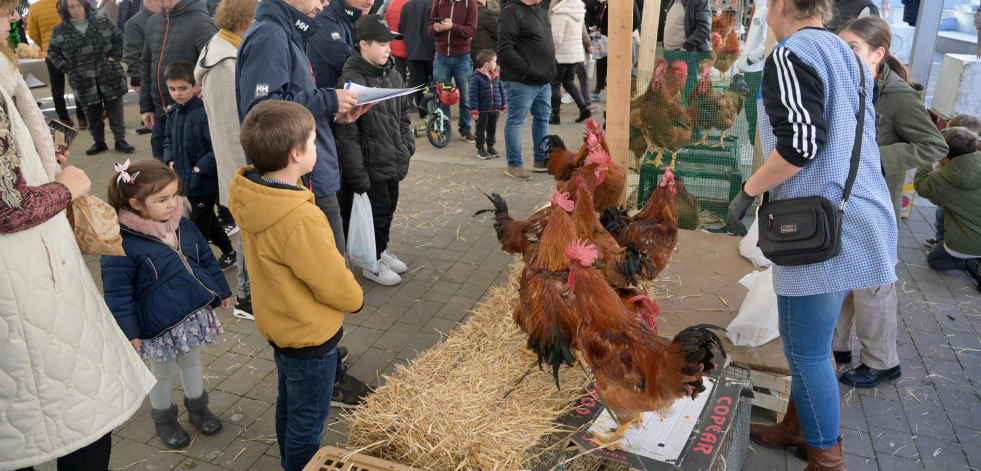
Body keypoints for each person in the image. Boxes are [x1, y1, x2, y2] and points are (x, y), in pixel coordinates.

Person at [727, 0, 897, 467]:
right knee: (812, 345)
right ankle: (796, 429)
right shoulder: (846, 53)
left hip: (819, 227)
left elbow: (800, 144)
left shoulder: (791, 53)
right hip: (857, 214)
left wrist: (748, 191)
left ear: (781, 5)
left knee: (805, 353)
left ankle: (827, 460)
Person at [0, 1, 155, 468]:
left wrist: (38, 159)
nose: (12, 19)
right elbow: (9, 208)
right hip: (23, 285)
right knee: (77, 424)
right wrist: (65, 188)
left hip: (28, 282)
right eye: (4, 9)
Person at [235, 0, 372, 407]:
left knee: (321, 267)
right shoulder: (270, 35)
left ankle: (326, 358)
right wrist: (329, 101)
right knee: (323, 271)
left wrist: (333, 112)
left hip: (313, 170)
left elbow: (290, 103)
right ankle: (327, 376)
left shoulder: (285, 30)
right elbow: (264, 114)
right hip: (303, 180)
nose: (325, 3)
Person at [228, 100, 366, 471]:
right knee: (309, 421)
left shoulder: (253, 193)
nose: (318, 147)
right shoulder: (300, 217)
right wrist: (355, 299)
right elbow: (330, 279)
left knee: (290, 405)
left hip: (279, 326)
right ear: (296, 154)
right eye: (314, 141)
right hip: (310, 336)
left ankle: (291, 460)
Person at [830, 15, 948, 389]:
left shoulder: (897, 96)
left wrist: (879, 159)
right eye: (840, 47)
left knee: (873, 285)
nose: (844, 55)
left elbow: (934, 144)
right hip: (849, 201)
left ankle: (883, 362)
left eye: (852, 48)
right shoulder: (851, 82)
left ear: (878, 54)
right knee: (847, 278)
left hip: (876, 203)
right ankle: (839, 348)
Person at [101, 159, 230, 450]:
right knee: (161, 371)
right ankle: (164, 418)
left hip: (190, 314)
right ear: (134, 203)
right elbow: (118, 294)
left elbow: (204, 258)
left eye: (174, 195)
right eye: (162, 199)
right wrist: (129, 331)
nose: (173, 204)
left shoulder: (182, 225)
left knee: (193, 362)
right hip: (158, 324)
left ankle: (198, 408)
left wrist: (221, 290)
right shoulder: (121, 243)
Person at [334, 15, 415, 286]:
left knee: (388, 209)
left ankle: (382, 250)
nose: (388, 49)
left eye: (389, 43)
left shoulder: (392, 74)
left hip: (393, 158)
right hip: (370, 164)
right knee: (376, 214)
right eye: (381, 44)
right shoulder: (351, 80)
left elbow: (404, 115)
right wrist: (357, 174)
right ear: (363, 45)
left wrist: (407, 145)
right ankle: (372, 262)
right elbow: (347, 134)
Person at [195, 0, 256, 318]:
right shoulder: (224, 61)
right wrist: (249, 174)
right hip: (242, 166)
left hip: (244, 163)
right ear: (245, 22)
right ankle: (246, 298)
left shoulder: (230, 50)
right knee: (249, 227)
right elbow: (232, 128)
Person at [161, 61, 237, 270]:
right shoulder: (173, 113)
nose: (177, 93)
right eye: (172, 89)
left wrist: (199, 168)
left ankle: (198, 265)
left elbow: (217, 146)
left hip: (204, 180)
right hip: (185, 179)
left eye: (183, 88)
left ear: (196, 86)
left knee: (198, 226)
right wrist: (170, 160)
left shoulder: (204, 112)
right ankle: (230, 253)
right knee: (208, 219)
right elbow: (168, 140)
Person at [47, 0, 136, 155]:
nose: (76, 9)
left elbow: (120, 39)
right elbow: (53, 52)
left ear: (85, 6)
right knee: (91, 112)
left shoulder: (103, 22)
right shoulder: (60, 30)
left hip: (109, 74)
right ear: (65, 10)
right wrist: (65, 66)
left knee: (115, 110)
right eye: (72, 7)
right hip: (82, 79)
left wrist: (115, 55)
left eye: (79, 5)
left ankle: (120, 140)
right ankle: (99, 142)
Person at [139, 0, 217, 160]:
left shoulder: (201, 22)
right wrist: (146, 106)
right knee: (161, 173)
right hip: (161, 116)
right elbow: (147, 64)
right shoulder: (153, 21)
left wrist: (206, 86)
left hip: (192, 119)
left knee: (191, 176)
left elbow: (215, 65)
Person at [914, 127, 981, 291]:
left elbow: (922, 185)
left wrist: (926, 157)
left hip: (968, 243)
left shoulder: (942, 179)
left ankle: (969, 262)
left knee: (935, 259)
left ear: (942, 153)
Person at [497, 0, 555, 180]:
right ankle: (514, 165)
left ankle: (540, 160)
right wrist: (527, 70)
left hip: (543, 80)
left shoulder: (540, 7)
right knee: (516, 121)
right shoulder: (512, 12)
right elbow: (504, 50)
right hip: (521, 81)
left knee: (543, 118)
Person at [27, 0, 87, 129]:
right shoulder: (66, 4)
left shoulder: (35, 8)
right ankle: (82, 118)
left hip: (51, 52)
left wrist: (44, 44)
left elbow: (32, 32)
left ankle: (64, 118)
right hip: (72, 50)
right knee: (79, 83)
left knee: (57, 86)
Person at [925, 114, 980, 247]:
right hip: (960, 198)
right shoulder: (971, 151)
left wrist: (925, 162)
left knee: (944, 216)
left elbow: (932, 192)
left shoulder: (953, 156)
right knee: (944, 217)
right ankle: (941, 239)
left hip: (956, 198)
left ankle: (941, 241)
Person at [427, 0, 478, 142]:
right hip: (441, 55)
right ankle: (444, 127)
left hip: (463, 56)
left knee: (466, 96)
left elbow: (471, 30)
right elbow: (429, 27)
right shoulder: (438, 2)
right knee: (442, 96)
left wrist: (452, 27)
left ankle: (465, 128)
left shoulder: (470, 3)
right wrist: (436, 28)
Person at [306, 0, 374, 91]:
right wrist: (377, 65)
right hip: (329, 98)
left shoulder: (367, 20)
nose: (370, 2)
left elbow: (386, 55)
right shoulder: (324, 18)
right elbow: (344, 59)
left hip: (355, 94)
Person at [548, 0, 590, 125]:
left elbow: (556, 38)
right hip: (575, 54)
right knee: (568, 83)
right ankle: (584, 109)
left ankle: (555, 115)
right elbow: (582, 31)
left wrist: (548, 52)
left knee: (554, 84)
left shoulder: (560, 13)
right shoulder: (578, 10)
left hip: (561, 55)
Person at [121, 0, 159, 136]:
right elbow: (132, 55)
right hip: (148, 79)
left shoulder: (168, 17)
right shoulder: (135, 23)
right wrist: (137, 80)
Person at [468, 49, 505, 160]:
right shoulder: (476, 78)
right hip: (482, 110)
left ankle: (490, 146)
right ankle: (480, 149)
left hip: (494, 109)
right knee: (480, 129)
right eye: (494, 62)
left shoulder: (496, 77)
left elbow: (501, 91)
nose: (496, 64)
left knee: (492, 129)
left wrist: (504, 104)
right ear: (487, 64)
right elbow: (473, 95)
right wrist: (474, 110)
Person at [399, 0, 436, 110]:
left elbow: (401, 28)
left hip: (412, 50)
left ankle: (422, 108)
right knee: (436, 78)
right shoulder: (435, 4)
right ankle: (425, 103)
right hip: (430, 48)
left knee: (418, 81)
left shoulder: (406, 5)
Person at [383, 0, 411, 78]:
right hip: (410, 46)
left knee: (399, 75)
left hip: (395, 44)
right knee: (415, 77)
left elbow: (386, 22)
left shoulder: (392, 3)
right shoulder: (412, 3)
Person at [470, 0, 499, 66]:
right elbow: (497, 32)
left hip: (469, 52)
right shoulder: (483, 12)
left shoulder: (466, 9)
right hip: (484, 55)